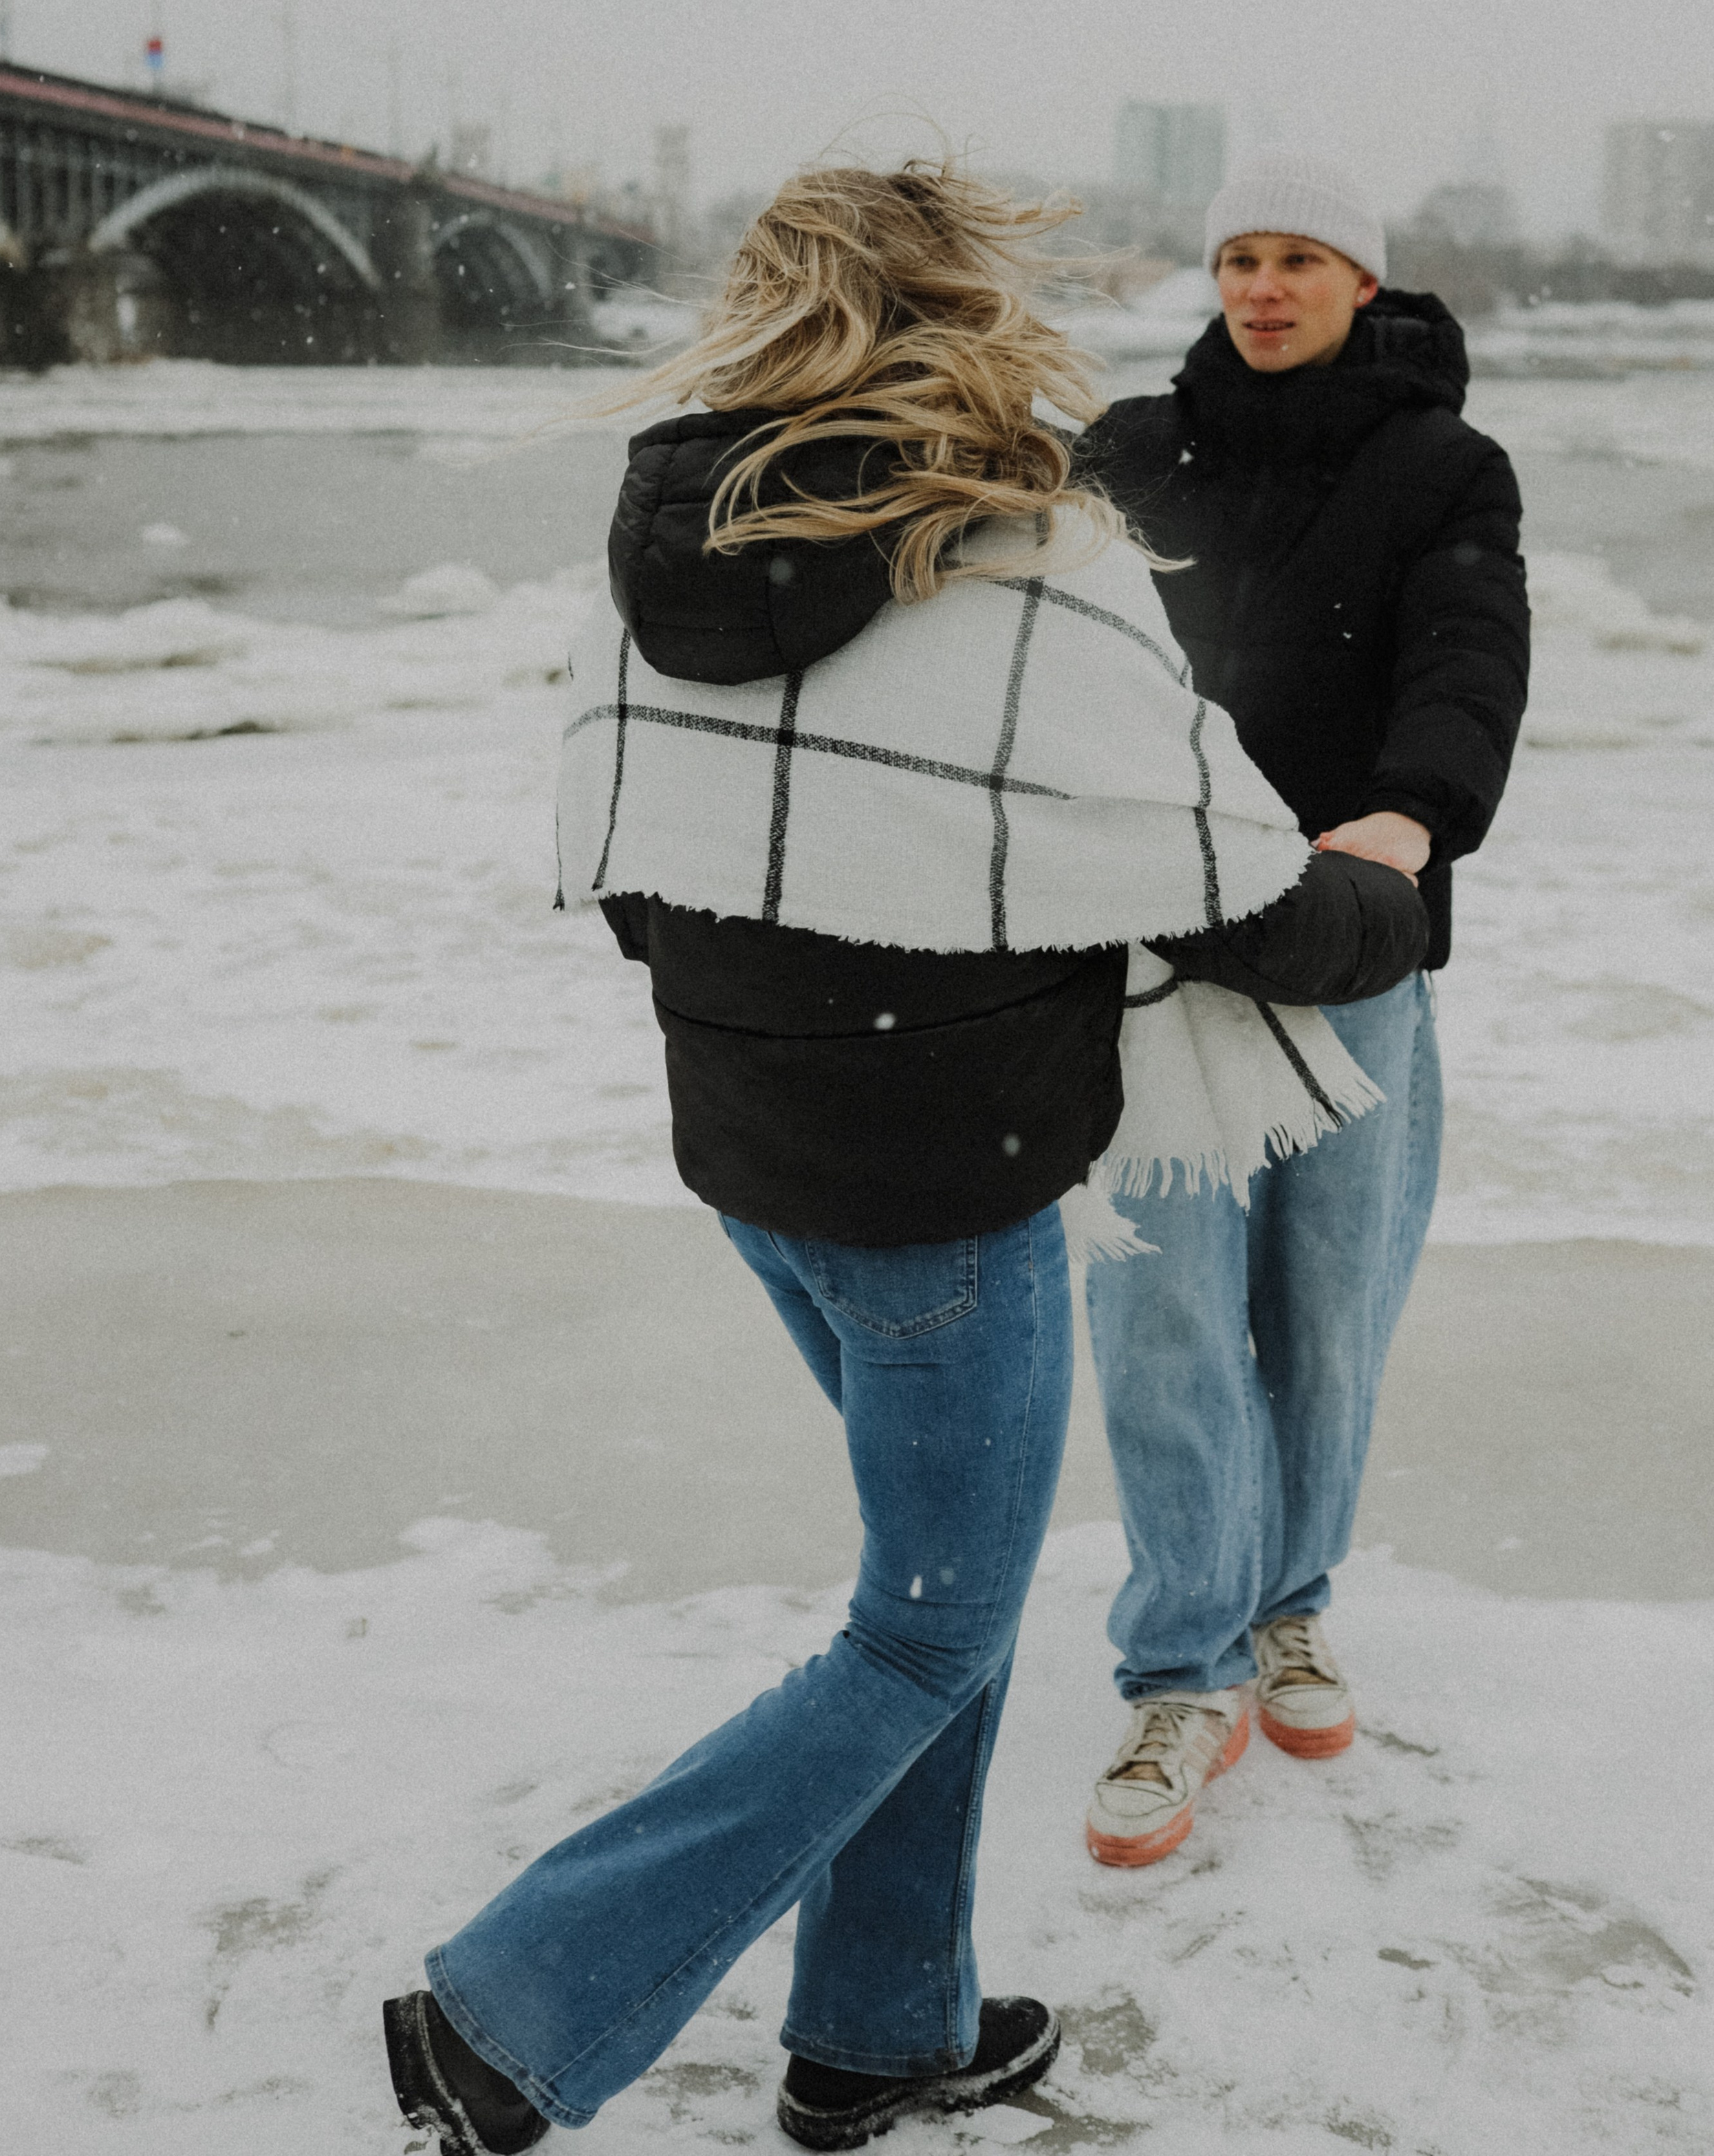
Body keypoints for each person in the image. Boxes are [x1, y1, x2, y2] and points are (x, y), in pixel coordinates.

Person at [382, 164, 1429, 2156]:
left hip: (755, 1159)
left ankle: (879, 2032)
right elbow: (1232, 901)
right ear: (970, 310)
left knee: (923, 1596)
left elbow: (624, 874)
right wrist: (1384, 888)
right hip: (947, 1195)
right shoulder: (1027, 561)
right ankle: (510, 2013)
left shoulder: (655, 544)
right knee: (931, 1628)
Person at [1070, 150, 1530, 1870]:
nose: (1261, 287)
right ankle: (1178, 1663)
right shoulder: (1119, 450)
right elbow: (1029, 642)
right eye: (1239, 258)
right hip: (1147, 942)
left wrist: (1411, 812)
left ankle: (1291, 1600)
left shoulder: (1441, 462)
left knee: (1327, 1301)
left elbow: (1469, 654)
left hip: (1350, 939)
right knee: (1167, 1312)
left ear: (1361, 281)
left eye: (1299, 259)